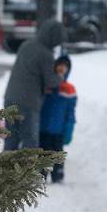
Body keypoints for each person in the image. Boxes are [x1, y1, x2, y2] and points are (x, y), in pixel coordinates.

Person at [3, 19, 67, 150]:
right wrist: (61, 75)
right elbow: (51, 81)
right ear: (53, 39)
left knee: (11, 138)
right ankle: (27, 170)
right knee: (29, 142)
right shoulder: (46, 54)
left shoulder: (26, 45)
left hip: (10, 97)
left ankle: (4, 169)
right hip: (28, 103)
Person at [39, 55, 77, 183]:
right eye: (59, 65)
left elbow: (70, 112)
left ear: (68, 70)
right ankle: (40, 175)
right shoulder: (47, 85)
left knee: (58, 154)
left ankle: (58, 174)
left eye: (65, 66)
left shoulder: (69, 89)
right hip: (42, 128)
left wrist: (69, 129)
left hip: (58, 130)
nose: (61, 69)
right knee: (42, 152)